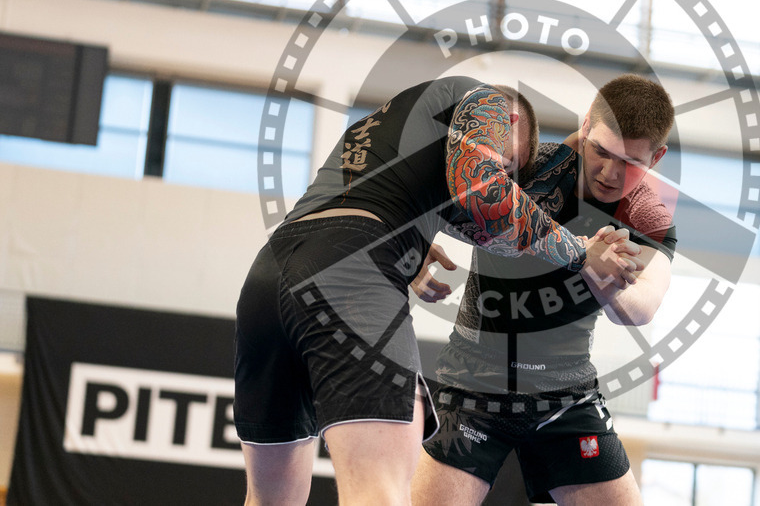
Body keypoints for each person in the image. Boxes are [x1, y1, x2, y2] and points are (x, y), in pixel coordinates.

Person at [233, 76, 641, 505]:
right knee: (379, 491)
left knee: (270, 499)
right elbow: (485, 192)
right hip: (350, 277)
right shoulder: (489, 103)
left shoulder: (396, 123)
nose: (506, 175)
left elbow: (462, 215)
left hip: (269, 278)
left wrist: (413, 243)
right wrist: (580, 252)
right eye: (509, 164)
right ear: (511, 120)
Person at [411, 74, 677, 505]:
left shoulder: (647, 215)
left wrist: (602, 276)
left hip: (566, 396)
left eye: (630, 164)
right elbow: (430, 192)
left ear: (657, 157)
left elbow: (643, 306)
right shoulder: (534, 165)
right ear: (586, 125)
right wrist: (413, 250)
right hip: (475, 381)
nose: (609, 173)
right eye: (601, 152)